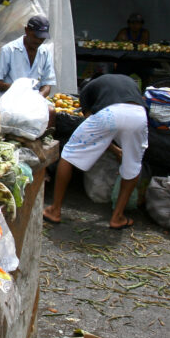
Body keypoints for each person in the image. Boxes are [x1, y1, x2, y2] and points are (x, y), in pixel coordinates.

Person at [43, 74, 149, 230]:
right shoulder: (128, 82)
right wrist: (115, 150)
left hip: (110, 114)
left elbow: (92, 124)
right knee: (133, 164)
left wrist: (111, 148)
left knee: (68, 155)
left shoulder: (88, 89)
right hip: (138, 115)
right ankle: (117, 217)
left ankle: (55, 210)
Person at [0, 15, 57, 97]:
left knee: (51, 110)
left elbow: (47, 83)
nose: (38, 41)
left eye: (42, 38)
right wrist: (20, 89)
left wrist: (39, 96)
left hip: (35, 98)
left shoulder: (45, 52)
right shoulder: (8, 50)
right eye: (35, 36)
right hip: (11, 98)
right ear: (26, 30)